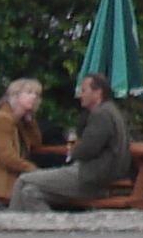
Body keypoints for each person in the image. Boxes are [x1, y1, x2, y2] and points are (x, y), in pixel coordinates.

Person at [10, 71, 132, 211]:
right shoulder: (111, 112)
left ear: (97, 93)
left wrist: (73, 152)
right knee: (29, 193)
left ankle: (10, 224)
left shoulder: (101, 114)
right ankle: (53, 228)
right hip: (101, 178)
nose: (79, 95)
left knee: (23, 180)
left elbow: (87, 150)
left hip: (89, 177)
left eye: (84, 90)